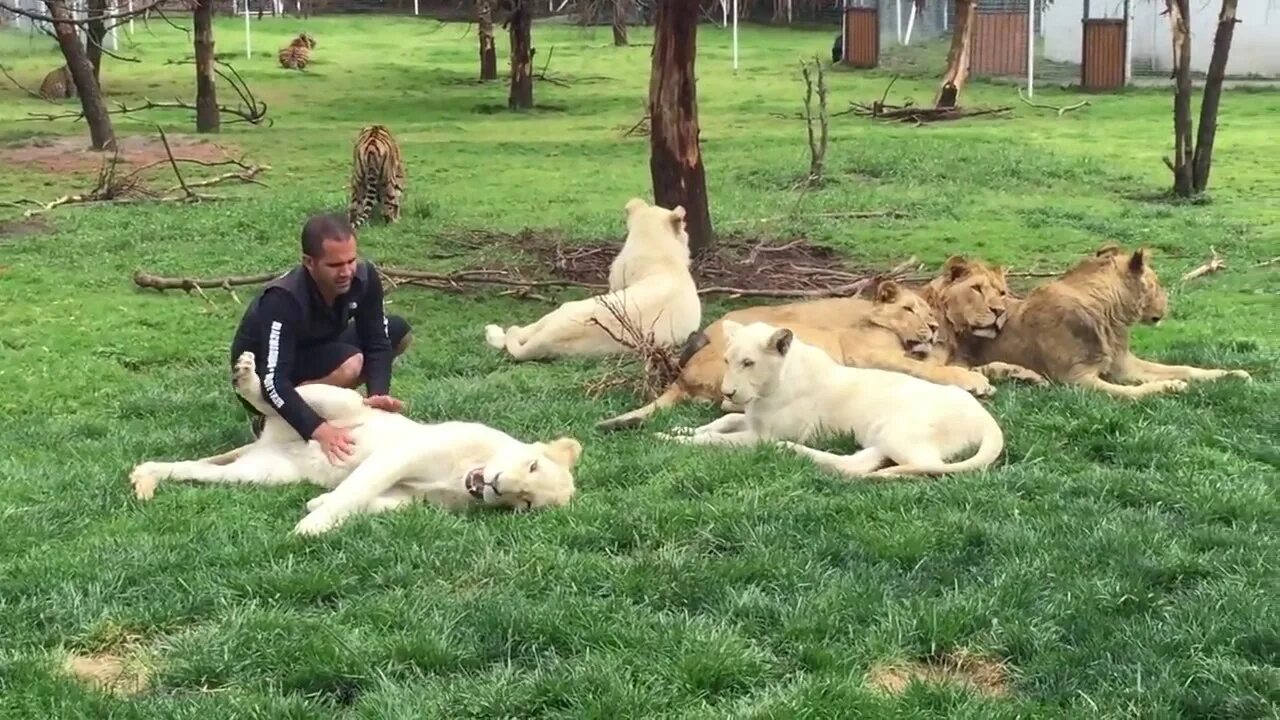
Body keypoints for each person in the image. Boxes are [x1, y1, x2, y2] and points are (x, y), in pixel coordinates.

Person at [229, 213, 413, 464]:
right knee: (351, 363)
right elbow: (274, 381)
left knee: (397, 331)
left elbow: (377, 342)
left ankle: (319, 408)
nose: (347, 271)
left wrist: (378, 397)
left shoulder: (364, 277)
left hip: (317, 348)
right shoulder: (283, 299)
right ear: (309, 262)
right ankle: (277, 420)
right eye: (335, 265)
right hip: (264, 376)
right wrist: (320, 431)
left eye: (351, 260)